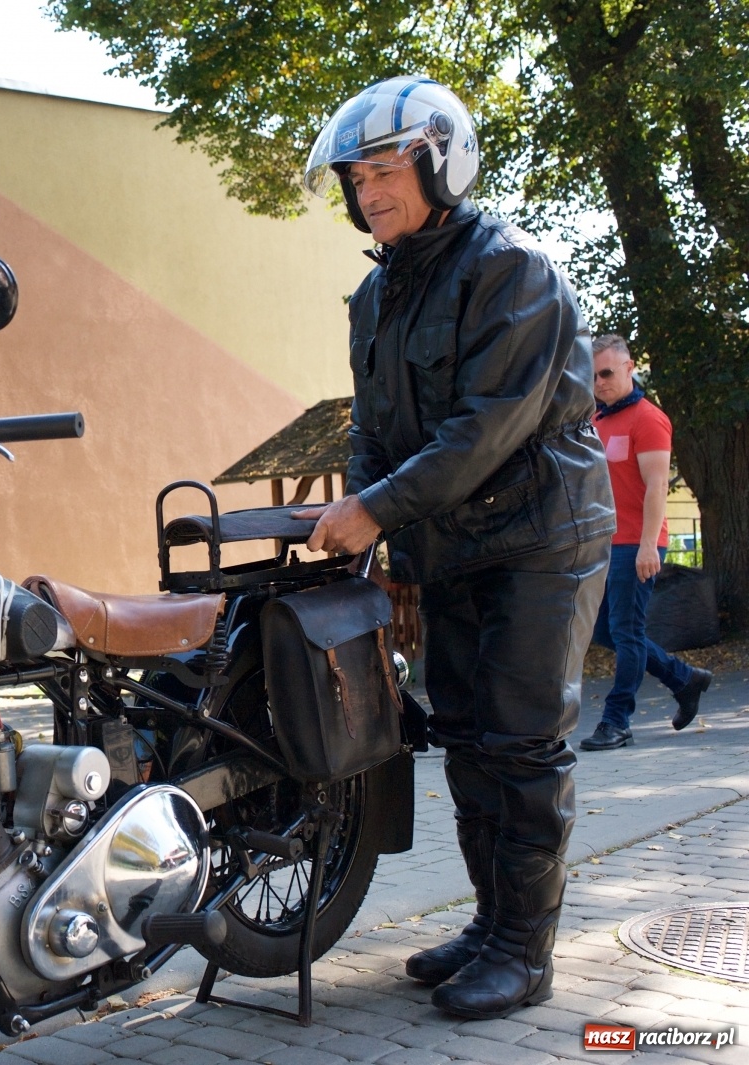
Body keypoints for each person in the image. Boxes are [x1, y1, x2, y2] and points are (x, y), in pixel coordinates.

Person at [296, 77, 615, 1021]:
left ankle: (527, 951)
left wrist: (380, 509)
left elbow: (486, 429)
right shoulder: (375, 292)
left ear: (442, 160)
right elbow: (375, 429)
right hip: (453, 546)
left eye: (384, 171)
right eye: (356, 179)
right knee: (467, 739)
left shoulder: (512, 269)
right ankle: (490, 925)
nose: (367, 193)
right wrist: (364, 511)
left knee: (521, 741)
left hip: (540, 539)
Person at [580, 334, 711, 750]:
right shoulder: (596, 421)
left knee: (626, 631)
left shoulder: (648, 419)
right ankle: (683, 678)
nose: (600, 382)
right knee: (606, 632)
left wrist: (649, 545)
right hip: (602, 543)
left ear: (629, 367)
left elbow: (657, 488)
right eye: (594, 375)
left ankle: (617, 721)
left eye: (607, 373)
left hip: (636, 543)